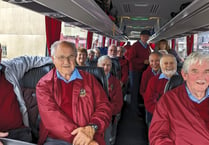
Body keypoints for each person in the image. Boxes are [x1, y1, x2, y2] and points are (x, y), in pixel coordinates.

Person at [36, 40, 112, 145]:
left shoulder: (89, 80)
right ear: (53, 59)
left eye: (70, 56)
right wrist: (82, 138)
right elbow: (52, 118)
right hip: (57, 139)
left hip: (90, 134)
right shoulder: (44, 84)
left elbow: (104, 107)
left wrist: (93, 126)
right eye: (61, 57)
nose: (66, 62)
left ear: (75, 57)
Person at [149, 52, 209, 144]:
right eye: (195, 71)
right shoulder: (168, 101)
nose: (201, 77)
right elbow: (158, 136)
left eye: (207, 71)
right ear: (184, 75)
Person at [0, 55, 52, 143]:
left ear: (0, 53)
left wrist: (57, 58)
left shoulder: (9, 68)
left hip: (19, 133)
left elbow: (27, 60)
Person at [97, 55, 123, 145]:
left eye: (108, 65)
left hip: (107, 116)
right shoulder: (91, 79)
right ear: (97, 65)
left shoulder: (115, 82)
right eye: (103, 64)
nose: (106, 67)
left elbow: (118, 104)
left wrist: (104, 111)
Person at [144, 54, 177, 123]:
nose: (169, 65)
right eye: (166, 63)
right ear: (161, 66)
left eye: (171, 63)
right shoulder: (154, 81)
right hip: (159, 116)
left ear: (176, 65)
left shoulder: (184, 80)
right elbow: (149, 102)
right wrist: (163, 113)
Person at [127, 29, 151, 115]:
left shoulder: (147, 46)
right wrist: (143, 61)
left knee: (141, 89)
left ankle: (139, 106)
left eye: (147, 36)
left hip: (143, 70)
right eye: (144, 36)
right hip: (134, 70)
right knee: (135, 89)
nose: (145, 37)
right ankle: (133, 110)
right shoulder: (135, 46)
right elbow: (130, 59)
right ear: (140, 36)